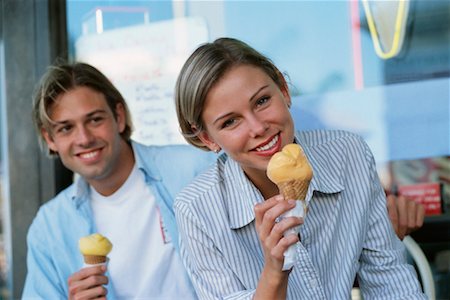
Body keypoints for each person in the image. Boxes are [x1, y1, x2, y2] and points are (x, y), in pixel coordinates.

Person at [173, 37, 427, 299]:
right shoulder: (196, 210)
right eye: (230, 122)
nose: (258, 128)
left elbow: (387, 276)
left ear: (283, 90)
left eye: (261, 101)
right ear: (207, 139)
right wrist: (274, 271)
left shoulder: (348, 154)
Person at [23, 62, 215, 299]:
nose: (84, 138)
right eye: (65, 128)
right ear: (49, 139)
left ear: (119, 117)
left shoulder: (197, 169)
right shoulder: (48, 228)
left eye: (94, 120)